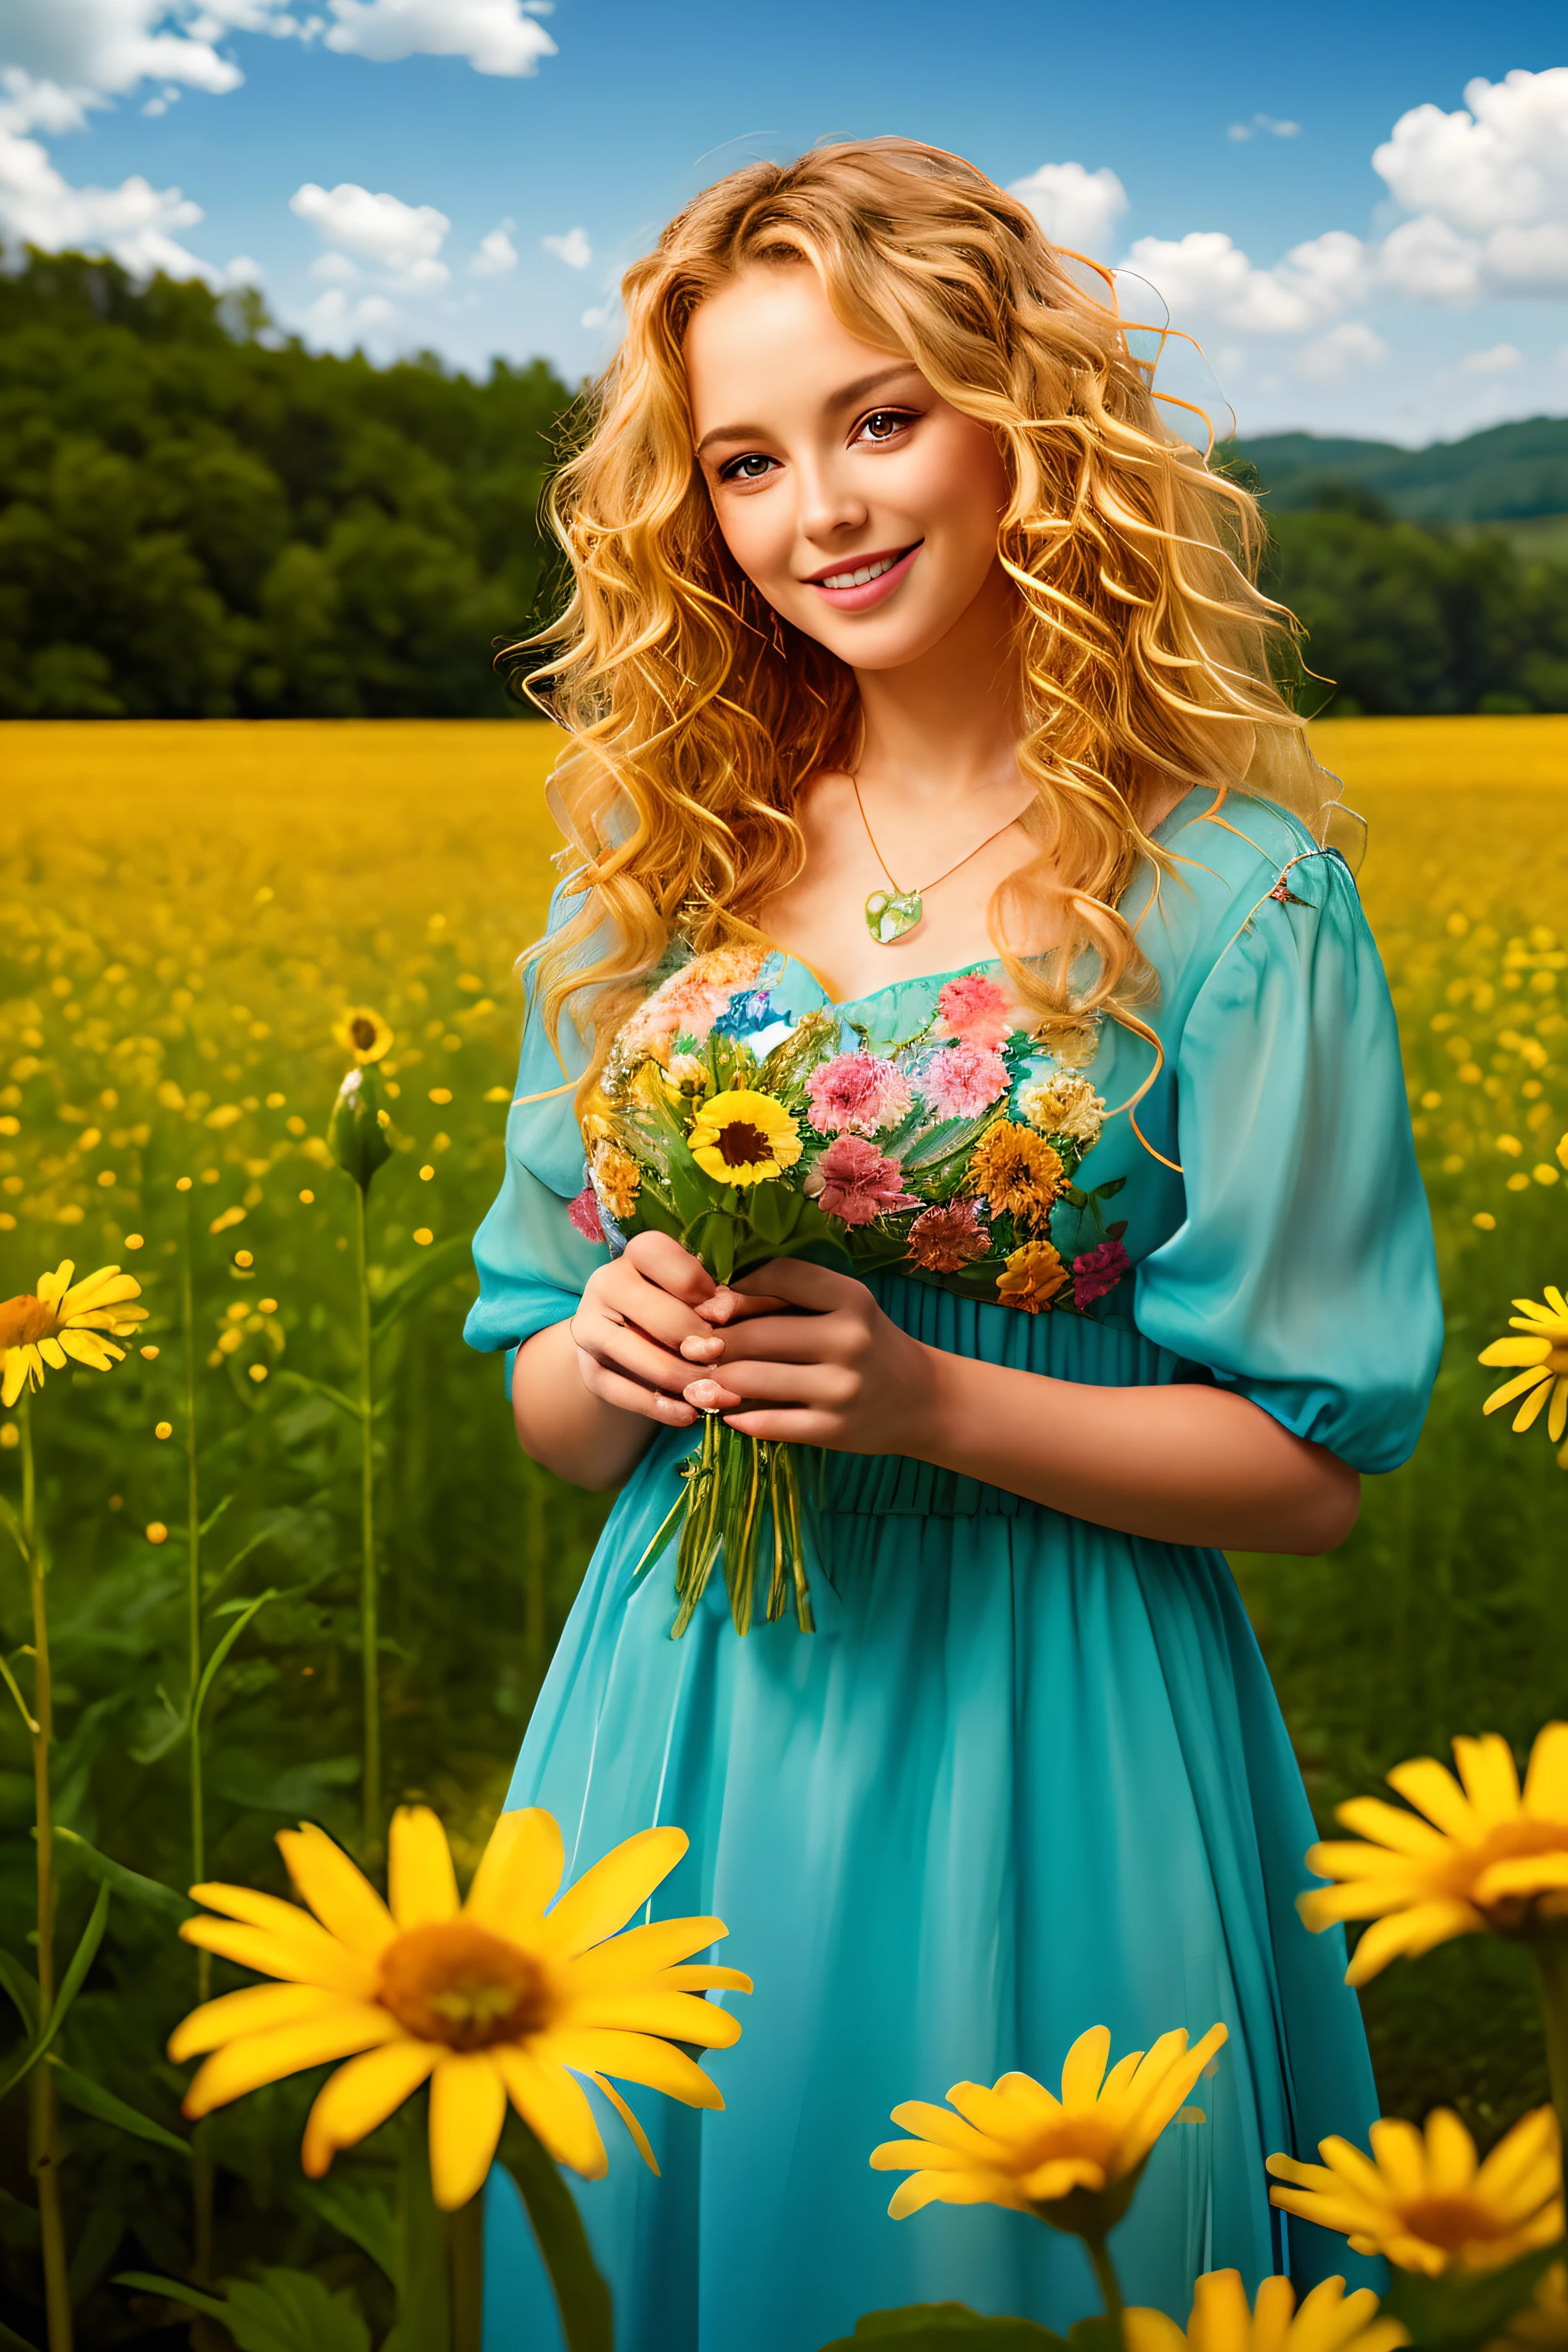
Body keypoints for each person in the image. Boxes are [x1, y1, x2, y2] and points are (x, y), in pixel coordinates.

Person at [464, 139, 1442, 2352]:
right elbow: (538, 1403)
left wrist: (930, 1398)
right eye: (743, 459)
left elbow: (1315, 1472)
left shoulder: (1235, 893)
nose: (820, 509)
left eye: (880, 417)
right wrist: (610, 1351)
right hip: (667, 1720)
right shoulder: (640, 885)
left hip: (1052, 1721)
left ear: (1030, 426)